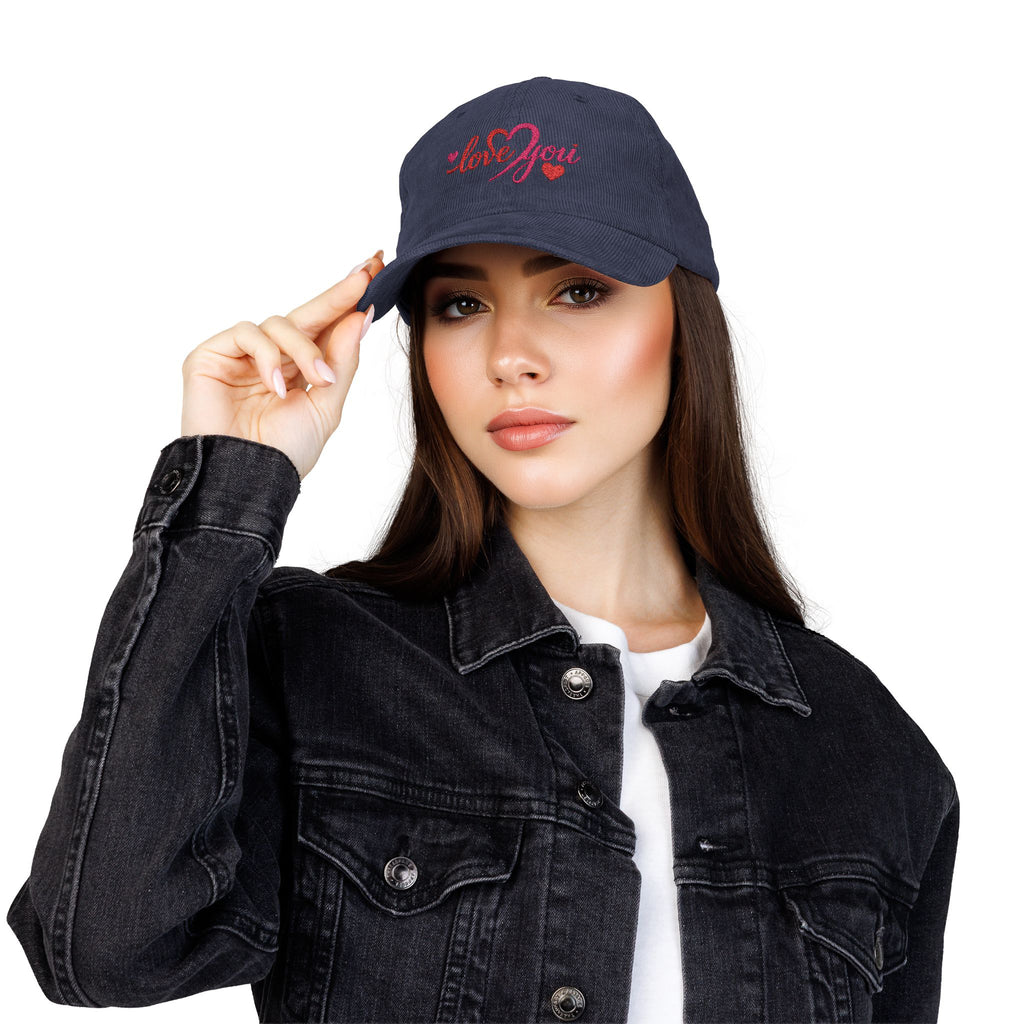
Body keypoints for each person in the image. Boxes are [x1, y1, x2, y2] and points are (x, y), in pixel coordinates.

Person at [7, 77, 957, 1024]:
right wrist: (230, 480)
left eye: (577, 291)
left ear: (682, 323)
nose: (510, 356)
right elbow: (105, 950)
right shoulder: (314, 657)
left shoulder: (865, 747)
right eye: (461, 305)